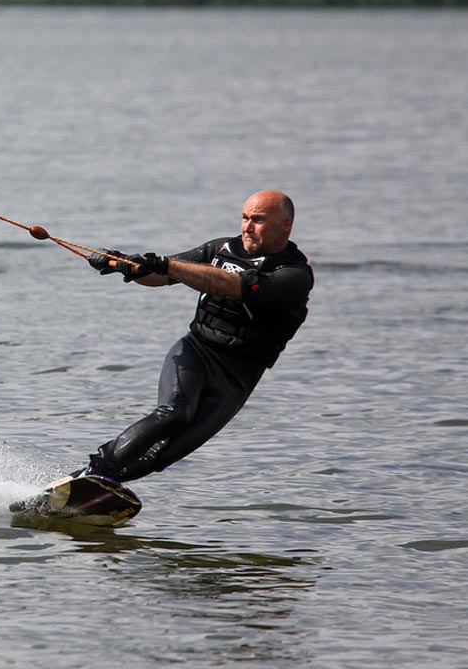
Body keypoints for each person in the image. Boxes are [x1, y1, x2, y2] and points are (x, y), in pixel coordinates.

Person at [76, 190, 313, 483]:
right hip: (197, 351)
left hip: (237, 377)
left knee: (165, 454)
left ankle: (90, 487)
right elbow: (161, 275)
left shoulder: (294, 275)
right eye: (245, 218)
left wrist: (165, 264)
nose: (247, 227)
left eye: (258, 220)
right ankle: (94, 472)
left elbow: (229, 284)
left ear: (285, 225)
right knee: (173, 413)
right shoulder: (220, 248)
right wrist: (123, 264)